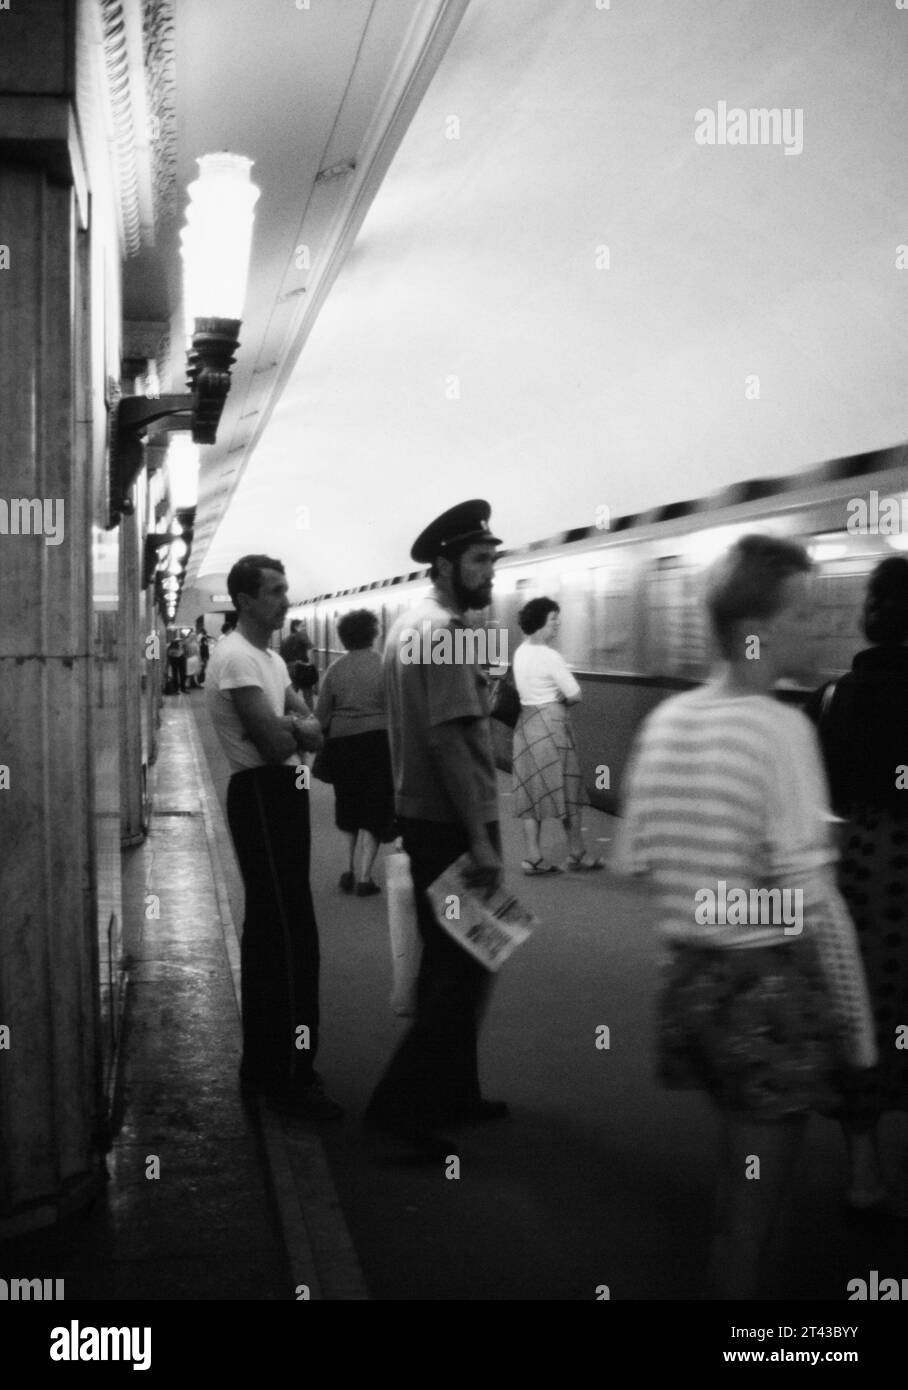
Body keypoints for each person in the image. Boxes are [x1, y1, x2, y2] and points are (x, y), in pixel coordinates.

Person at [613, 534, 877, 1299]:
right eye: (804, 612)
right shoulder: (779, 729)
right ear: (755, 628)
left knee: (739, 1190)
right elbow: (815, 905)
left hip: (693, 989)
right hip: (767, 995)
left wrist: (718, 880)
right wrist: (860, 1037)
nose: (821, 628)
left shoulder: (667, 722)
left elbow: (634, 856)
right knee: (757, 1225)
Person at [363, 499, 508, 1160]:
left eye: (493, 558)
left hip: (427, 820)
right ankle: (400, 1108)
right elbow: (451, 740)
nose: (491, 572)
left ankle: (456, 1092)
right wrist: (480, 839)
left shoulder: (410, 625)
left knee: (458, 962)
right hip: (455, 825)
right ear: (445, 564)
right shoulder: (444, 631)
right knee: (464, 969)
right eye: (479, 560)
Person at [206, 554, 342, 1121]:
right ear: (244, 601)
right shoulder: (236, 658)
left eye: (286, 588)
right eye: (276, 591)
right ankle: (289, 1074)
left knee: (277, 928)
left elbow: (308, 727)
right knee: (287, 934)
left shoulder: (270, 660)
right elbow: (278, 742)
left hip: (282, 794)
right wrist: (296, 730)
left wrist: (296, 728)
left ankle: (269, 1065)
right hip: (261, 792)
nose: (287, 599)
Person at [805, 555, 908, 1213]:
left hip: (868, 869)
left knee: (866, 1010)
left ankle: (865, 1173)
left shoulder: (835, 698)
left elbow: (827, 799)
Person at [511, 596, 603, 874]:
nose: (557, 625)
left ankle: (534, 857)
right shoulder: (550, 656)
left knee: (531, 793)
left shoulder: (520, 652)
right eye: (554, 620)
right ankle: (577, 853)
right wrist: (560, 699)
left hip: (526, 724)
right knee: (568, 790)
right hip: (552, 725)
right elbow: (575, 694)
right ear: (541, 623)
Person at [314, 608, 395, 897]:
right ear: (373, 634)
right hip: (378, 743)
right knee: (375, 807)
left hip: (343, 744)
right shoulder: (385, 666)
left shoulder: (335, 670)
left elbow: (321, 716)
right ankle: (365, 876)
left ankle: (347, 869)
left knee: (348, 804)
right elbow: (398, 711)